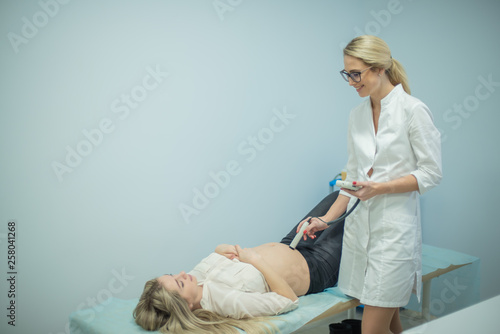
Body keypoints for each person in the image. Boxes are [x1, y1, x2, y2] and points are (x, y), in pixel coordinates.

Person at [299, 35, 442, 334]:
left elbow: (431, 173)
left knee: (372, 330)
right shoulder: (357, 115)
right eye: (346, 74)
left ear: (379, 69)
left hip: (393, 237)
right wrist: (325, 220)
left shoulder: (413, 111)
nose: (351, 81)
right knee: (392, 326)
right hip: (359, 235)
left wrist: (381, 188)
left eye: (356, 73)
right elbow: (351, 179)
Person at [134, 191, 346, 334]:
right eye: (179, 283)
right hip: (316, 265)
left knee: (340, 195)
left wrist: (219, 249)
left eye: (173, 275)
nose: (182, 274)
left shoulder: (194, 280)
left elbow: (215, 256)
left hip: (292, 242)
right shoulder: (225, 302)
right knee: (357, 203)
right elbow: (288, 300)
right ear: (186, 306)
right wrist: (256, 261)